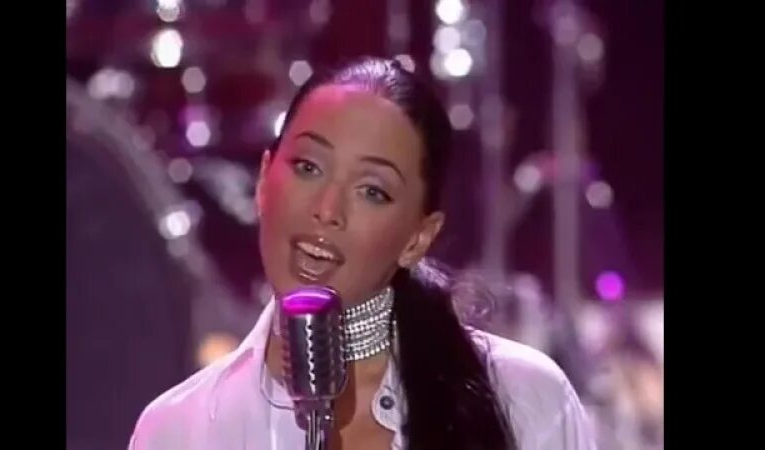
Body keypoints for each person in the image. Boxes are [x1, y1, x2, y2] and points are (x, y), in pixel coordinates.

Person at [128, 57, 596, 450]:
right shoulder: (178, 430)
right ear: (265, 180)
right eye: (308, 167)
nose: (327, 210)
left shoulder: (525, 400)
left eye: (372, 191)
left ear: (418, 238)